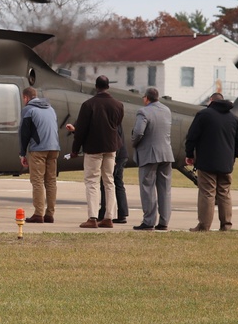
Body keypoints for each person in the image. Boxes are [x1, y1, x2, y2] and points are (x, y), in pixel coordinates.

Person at [70, 75, 124, 229]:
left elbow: (80, 130)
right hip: (111, 147)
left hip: (93, 148)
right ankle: (109, 217)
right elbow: (117, 124)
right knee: (109, 181)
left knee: (92, 181)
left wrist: (75, 149)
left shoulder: (88, 104)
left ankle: (92, 217)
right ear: (108, 86)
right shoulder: (118, 105)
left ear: (96, 86)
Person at [184, 92, 238, 232]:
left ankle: (204, 226)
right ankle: (226, 225)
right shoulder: (234, 119)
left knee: (207, 193)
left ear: (211, 101)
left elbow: (192, 137)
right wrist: (232, 157)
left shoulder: (204, 115)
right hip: (226, 163)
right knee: (224, 192)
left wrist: (189, 154)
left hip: (207, 161)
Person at [131, 87, 174, 231]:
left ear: (146, 98)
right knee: (165, 188)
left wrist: (134, 142)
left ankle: (149, 221)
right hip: (166, 153)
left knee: (147, 187)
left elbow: (138, 132)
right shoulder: (166, 110)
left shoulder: (143, 111)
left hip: (149, 154)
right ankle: (164, 221)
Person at [18, 86, 60, 223]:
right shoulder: (50, 108)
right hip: (54, 148)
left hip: (38, 149)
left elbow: (24, 133)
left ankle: (38, 213)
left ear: (26, 97)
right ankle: (50, 214)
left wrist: (22, 154)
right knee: (51, 181)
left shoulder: (28, 110)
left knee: (37, 181)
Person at [98, 128, 129, 224]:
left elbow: (116, 138)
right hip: (122, 155)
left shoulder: (111, 121)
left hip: (117, 155)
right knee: (118, 183)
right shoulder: (115, 119)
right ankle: (122, 213)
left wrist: (114, 158)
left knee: (106, 183)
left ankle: (104, 212)